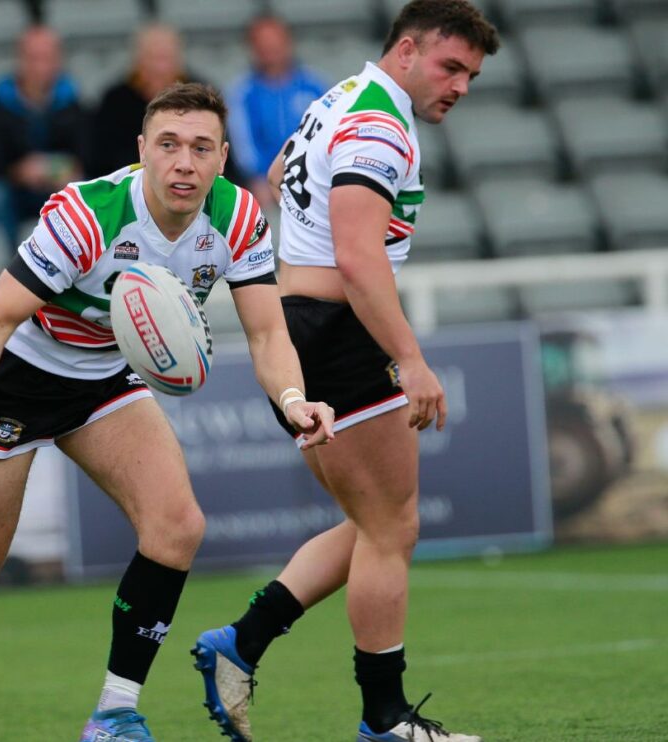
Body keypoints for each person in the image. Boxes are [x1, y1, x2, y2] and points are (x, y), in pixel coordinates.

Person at [0, 82, 335, 742]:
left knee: (177, 527)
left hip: (106, 380)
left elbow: (267, 334)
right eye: (168, 145)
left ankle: (114, 713)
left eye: (201, 148)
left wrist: (292, 401)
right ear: (142, 150)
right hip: (18, 381)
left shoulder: (238, 218)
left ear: (223, 157)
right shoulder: (86, 214)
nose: (184, 163)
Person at [191, 3, 500, 741]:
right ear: (405, 51)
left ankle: (243, 642)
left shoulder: (336, 98)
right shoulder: (379, 124)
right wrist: (410, 359)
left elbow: (273, 173)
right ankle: (383, 719)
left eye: (471, 74)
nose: (459, 84)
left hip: (300, 327)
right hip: (338, 331)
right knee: (392, 529)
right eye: (449, 66)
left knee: (375, 523)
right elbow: (361, 261)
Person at [0, 24, 86, 253]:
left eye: (47, 58)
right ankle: (10, 267)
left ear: (58, 60)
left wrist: (68, 169)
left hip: (60, 188)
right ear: (20, 60)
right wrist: (18, 172)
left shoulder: (74, 104)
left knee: (85, 189)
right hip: (15, 191)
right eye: (33, 58)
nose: (40, 66)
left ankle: (75, 263)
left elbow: (91, 154)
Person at [224, 15, 328, 208]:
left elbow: (327, 133)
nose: (269, 49)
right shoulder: (242, 92)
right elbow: (243, 144)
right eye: (262, 43)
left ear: (288, 42)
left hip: (312, 179)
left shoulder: (315, 85)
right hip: (263, 185)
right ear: (252, 47)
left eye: (274, 41)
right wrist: (258, 177)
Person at [87, 24, 196, 178]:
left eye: (166, 58)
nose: (160, 69)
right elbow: (101, 164)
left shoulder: (199, 99)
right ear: (137, 61)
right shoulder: (115, 102)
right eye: (153, 58)